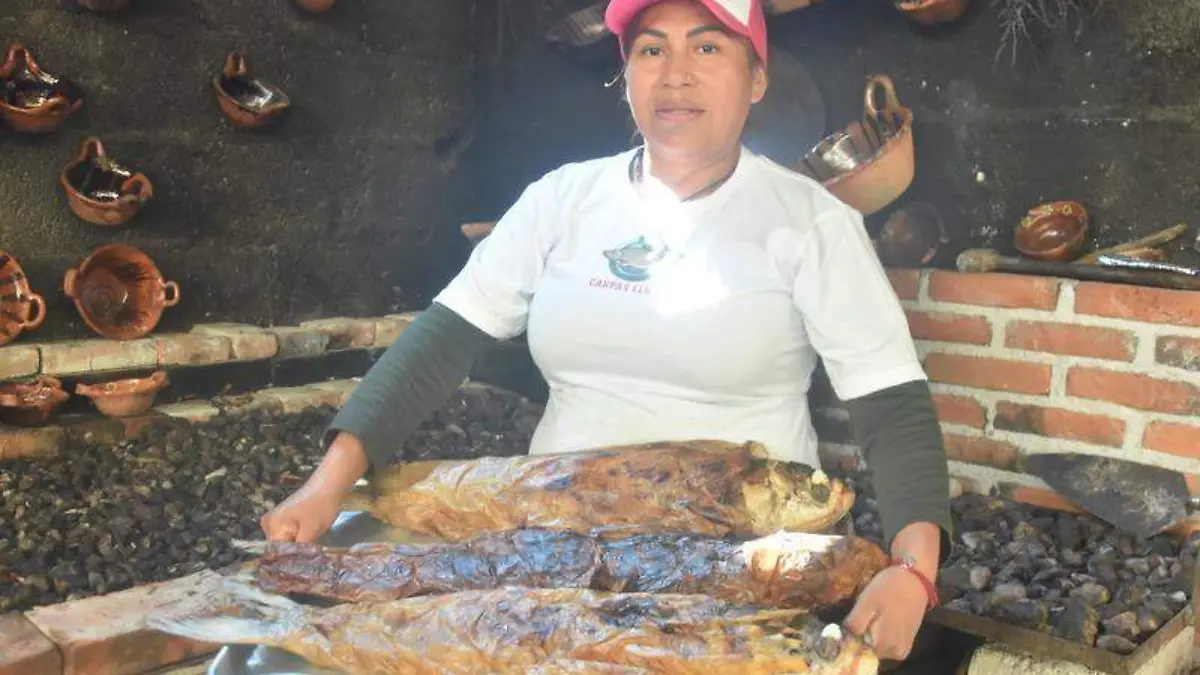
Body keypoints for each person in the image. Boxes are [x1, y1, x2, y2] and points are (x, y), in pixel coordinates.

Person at [261, 0, 952, 662]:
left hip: (740, 568)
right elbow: (443, 340)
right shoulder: (561, 200)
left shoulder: (809, 221)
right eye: (652, 49)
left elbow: (889, 401)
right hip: (554, 550)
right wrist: (326, 484)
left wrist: (913, 570)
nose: (675, 72)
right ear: (627, 78)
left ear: (758, 78)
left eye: (707, 46)